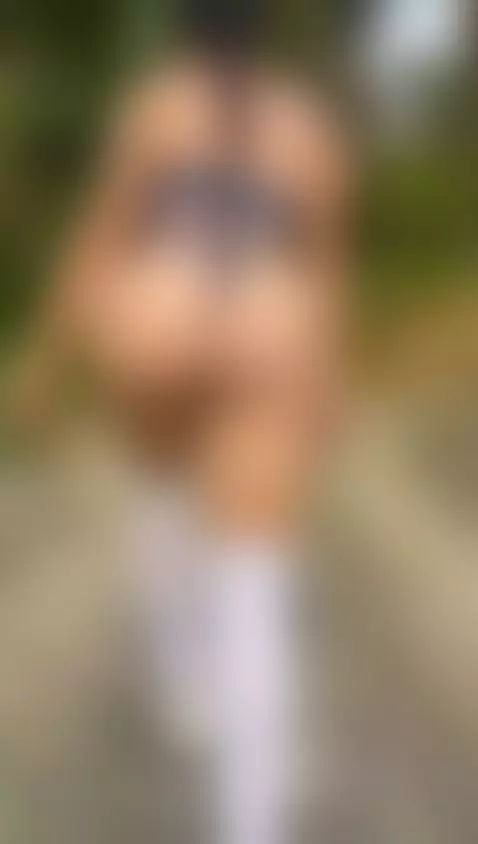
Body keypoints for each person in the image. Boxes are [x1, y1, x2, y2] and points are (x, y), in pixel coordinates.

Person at [19, 2, 356, 842]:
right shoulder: (307, 131)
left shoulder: (157, 112)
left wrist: (48, 361)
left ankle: (184, 678)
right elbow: (325, 270)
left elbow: (100, 237)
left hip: (159, 323)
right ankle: (251, 814)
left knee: (164, 490)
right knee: (255, 578)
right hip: (269, 330)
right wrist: (325, 385)